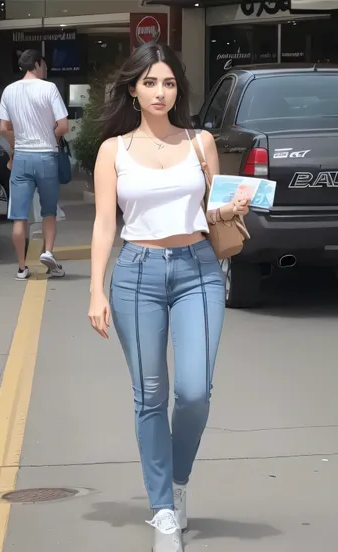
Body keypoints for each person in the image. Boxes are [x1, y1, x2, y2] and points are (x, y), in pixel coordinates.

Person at [87, 42, 248, 552]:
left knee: (195, 391)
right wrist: (96, 289)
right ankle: (162, 511)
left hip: (198, 269)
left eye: (169, 83)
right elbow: (104, 223)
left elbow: (215, 209)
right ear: (133, 89)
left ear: (179, 89)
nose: (160, 92)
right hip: (136, 275)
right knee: (150, 396)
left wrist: (233, 205)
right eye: (150, 82)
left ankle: (177, 482)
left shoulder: (201, 143)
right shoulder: (114, 150)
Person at [0, 48, 69, 280]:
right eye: (44, 65)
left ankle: (21, 267)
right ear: (37, 64)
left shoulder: (9, 91)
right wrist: (53, 137)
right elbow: (63, 125)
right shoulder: (49, 89)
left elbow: (3, 128)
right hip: (46, 156)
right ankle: (48, 252)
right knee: (48, 211)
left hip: (21, 158)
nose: (46, 69)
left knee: (20, 216)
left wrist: (16, 145)